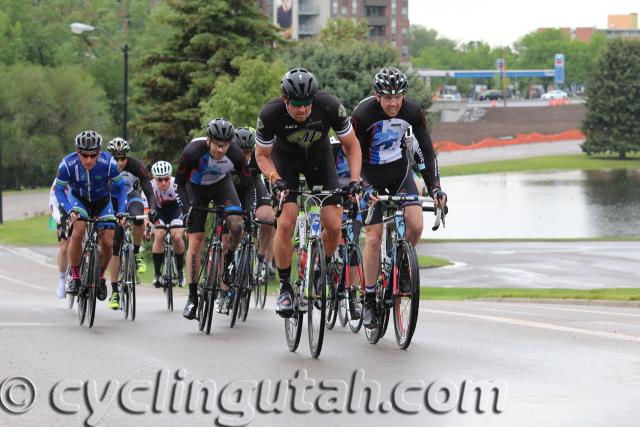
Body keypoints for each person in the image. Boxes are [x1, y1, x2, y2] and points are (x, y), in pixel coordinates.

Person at [254, 67, 362, 317]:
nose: (302, 109)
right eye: (296, 104)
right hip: (285, 165)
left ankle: (319, 266)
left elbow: (352, 145)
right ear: (285, 99)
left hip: (320, 162)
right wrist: (275, 179)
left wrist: (355, 180)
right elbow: (261, 155)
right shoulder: (270, 113)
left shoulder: (330, 106)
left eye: (306, 103)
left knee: (334, 225)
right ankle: (285, 288)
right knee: (286, 222)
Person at [350, 67, 448, 328]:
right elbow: (352, 153)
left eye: (398, 97)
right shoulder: (363, 114)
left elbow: (427, 151)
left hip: (399, 173)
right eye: (387, 98)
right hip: (369, 175)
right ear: (377, 96)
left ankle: (402, 265)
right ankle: (369, 298)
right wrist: (363, 186)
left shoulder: (412, 111)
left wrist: (435, 188)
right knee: (373, 238)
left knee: (416, 225)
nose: (393, 103)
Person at [176, 118, 254, 320]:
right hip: (196, 190)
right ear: (208, 141)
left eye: (225, 145)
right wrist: (186, 211)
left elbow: (248, 185)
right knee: (196, 241)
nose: (220, 150)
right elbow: (179, 184)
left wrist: (248, 211)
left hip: (222, 187)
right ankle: (192, 297)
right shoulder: (192, 152)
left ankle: (228, 260)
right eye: (217, 145)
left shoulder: (236, 153)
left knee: (237, 225)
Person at [54, 130, 127, 301]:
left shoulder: (108, 163)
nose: (88, 160)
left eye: (93, 155)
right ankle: (75, 276)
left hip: (102, 201)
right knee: (78, 232)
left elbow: (121, 188)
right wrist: (69, 209)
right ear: (77, 152)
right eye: (84, 155)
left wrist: (121, 211)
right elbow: (59, 190)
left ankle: (100, 275)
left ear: (99, 153)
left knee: (108, 243)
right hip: (79, 200)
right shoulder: (67, 164)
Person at [105, 138, 158, 310]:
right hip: (113, 201)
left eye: (122, 158)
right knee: (115, 245)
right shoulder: (104, 167)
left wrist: (152, 209)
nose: (119, 162)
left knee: (138, 217)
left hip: (132, 197)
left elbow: (149, 191)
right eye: (116, 158)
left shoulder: (136, 166)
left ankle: (135, 252)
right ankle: (114, 291)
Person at [232, 127, 276, 278]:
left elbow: (271, 174)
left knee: (268, 219)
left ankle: (261, 258)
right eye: (241, 152)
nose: (245, 156)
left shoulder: (258, 157)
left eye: (248, 151)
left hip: (253, 184)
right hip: (232, 187)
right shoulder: (226, 156)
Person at [148, 160, 186, 289]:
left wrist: (187, 225)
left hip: (176, 211)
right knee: (159, 235)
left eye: (166, 179)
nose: (164, 182)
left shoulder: (176, 184)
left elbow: (184, 205)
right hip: (159, 212)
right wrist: (147, 225)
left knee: (177, 236)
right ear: (155, 179)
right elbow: (146, 209)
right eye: (160, 180)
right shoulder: (150, 186)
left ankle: (180, 271)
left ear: (170, 177)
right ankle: (157, 274)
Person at [48, 180, 70, 299]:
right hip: (64, 211)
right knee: (64, 246)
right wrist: (59, 218)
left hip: (82, 209)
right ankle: (62, 278)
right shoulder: (62, 178)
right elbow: (52, 202)